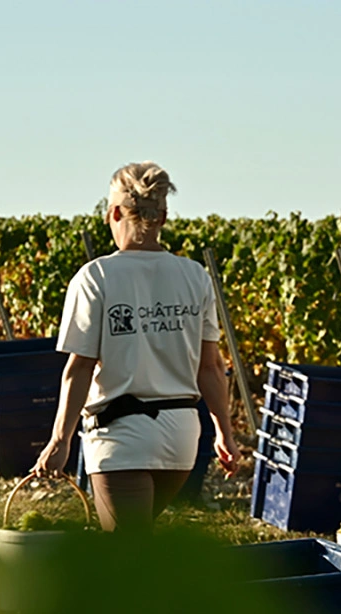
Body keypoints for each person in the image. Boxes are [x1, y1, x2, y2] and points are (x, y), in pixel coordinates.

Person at [34, 162, 238, 530]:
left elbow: (79, 368)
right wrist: (224, 430)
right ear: (163, 216)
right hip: (181, 439)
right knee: (136, 547)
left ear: (113, 212)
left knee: (127, 557)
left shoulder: (95, 277)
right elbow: (210, 368)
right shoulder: (194, 276)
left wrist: (59, 441)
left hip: (121, 439)